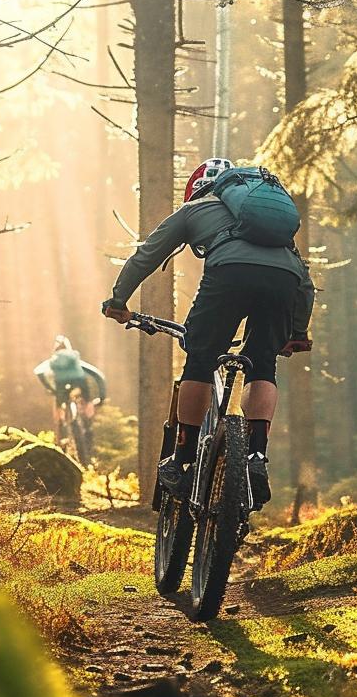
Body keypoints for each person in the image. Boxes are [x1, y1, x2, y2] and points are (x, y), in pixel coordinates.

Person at [101, 158, 314, 512]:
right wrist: (298, 331)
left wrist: (118, 300)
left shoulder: (193, 210)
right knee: (263, 366)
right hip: (283, 282)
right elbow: (303, 280)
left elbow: (146, 257)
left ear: (198, 189)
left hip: (228, 274)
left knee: (200, 361)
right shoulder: (269, 225)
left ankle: (182, 459)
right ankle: (257, 454)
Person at [33, 336, 108, 424]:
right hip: (79, 381)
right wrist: (101, 398)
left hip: (61, 383)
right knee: (87, 404)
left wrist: (51, 389)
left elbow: (39, 372)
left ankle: (59, 422)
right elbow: (98, 375)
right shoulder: (75, 361)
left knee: (59, 404)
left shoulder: (52, 361)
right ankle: (88, 421)